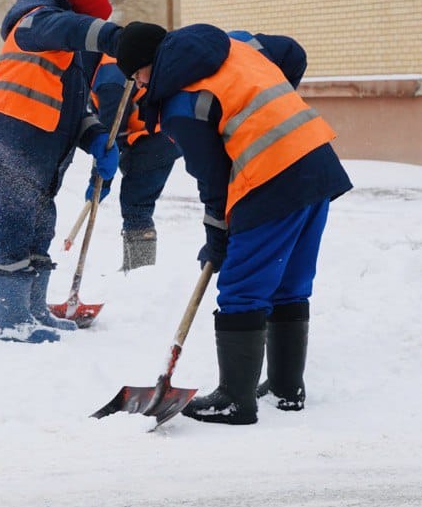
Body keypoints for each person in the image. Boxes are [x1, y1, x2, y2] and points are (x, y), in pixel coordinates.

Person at [114, 21, 352, 424]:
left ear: (148, 64)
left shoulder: (180, 104)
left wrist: (217, 235)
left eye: (136, 74)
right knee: (288, 282)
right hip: (316, 158)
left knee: (242, 286)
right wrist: (269, 110)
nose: (137, 84)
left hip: (271, 178)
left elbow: (213, 181)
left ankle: (235, 400)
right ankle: (285, 388)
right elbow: (292, 51)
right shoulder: (233, 44)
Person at [0, 0, 124, 343]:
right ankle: (11, 319)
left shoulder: (65, 58)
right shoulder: (36, 20)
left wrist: (97, 137)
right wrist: (113, 36)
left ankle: (34, 311)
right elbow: (70, 28)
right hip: (7, 144)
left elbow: (73, 111)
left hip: (36, 155)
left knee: (40, 229)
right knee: (15, 231)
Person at [89, 54, 182, 271]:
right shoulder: (108, 66)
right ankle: (139, 268)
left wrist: (100, 178)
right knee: (136, 200)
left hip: (156, 138)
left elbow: (110, 135)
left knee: (136, 204)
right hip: (154, 136)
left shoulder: (110, 77)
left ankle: (141, 269)